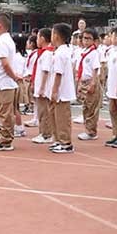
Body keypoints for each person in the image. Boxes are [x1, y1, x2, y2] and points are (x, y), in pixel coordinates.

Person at [0, 14, 21, 151]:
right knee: (4, 112)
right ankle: (4, 137)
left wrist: (14, 77)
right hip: (1, 82)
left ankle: (5, 140)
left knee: (5, 113)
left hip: (3, 83)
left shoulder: (2, 42)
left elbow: (5, 64)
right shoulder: (5, 40)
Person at [48, 23, 77, 154]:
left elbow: (59, 74)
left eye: (52, 34)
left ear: (57, 36)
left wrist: (54, 91)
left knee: (62, 118)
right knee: (55, 117)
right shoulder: (61, 51)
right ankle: (59, 140)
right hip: (60, 91)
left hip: (62, 91)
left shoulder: (61, 53)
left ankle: (66, 143)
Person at [75, 29, 102, 141]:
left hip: (91, 81)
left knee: (91, 107)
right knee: (86, 107)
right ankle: (88, 129)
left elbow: (95, 69)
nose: (85, 40)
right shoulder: (83, 52)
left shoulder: (94, 53)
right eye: (83, 38)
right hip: (84, 81)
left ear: (94, 40)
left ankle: (91, 132)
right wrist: (79, 83)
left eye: (88, 38)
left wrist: (93, 83)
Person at [30, 28, 55, 144]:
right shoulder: (43, 52)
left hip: (43, 88)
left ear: (43, 39)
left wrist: (41, 87)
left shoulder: (48, 53)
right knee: (41, 111)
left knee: (44, 111)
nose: (36, 40)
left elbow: (45, 71)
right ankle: (43, 132)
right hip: (40, 85)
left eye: (38, 37)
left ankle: (46, 134)